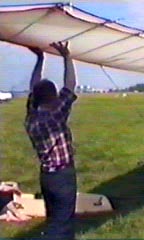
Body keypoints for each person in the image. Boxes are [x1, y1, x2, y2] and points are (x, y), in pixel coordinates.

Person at [24, 42, 77, 240]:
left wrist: (40, 59)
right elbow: (70, 85)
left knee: (54, 218)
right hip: (63, 175)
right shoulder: (55, 115)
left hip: (47, 176)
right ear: (53, 96)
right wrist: (67, 56)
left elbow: (34, 88)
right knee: (62, 224)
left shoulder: (32, 117)